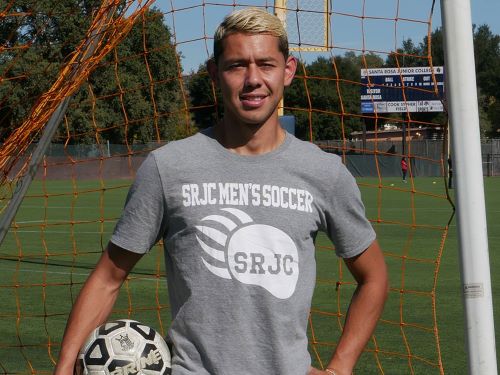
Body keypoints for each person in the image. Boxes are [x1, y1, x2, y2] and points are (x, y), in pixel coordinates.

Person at [55, 8, 388, 375]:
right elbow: (108, 277)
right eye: (236, 66)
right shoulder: (169, 167)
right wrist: (65, 366)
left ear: (288, 71)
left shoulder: (324, 173)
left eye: (266, 64)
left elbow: (373, 277)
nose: (253, 80)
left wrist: (340, 368)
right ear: (214, 73)